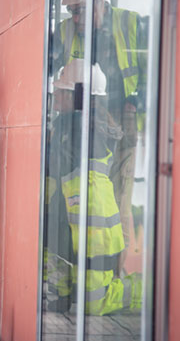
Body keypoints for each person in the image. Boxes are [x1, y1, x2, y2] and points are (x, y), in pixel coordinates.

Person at [55, 0, 144, 267]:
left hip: (123, 118)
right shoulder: (65, 31)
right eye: (71, 11)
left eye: (80, 11)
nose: (76, 19)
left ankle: (116, 272)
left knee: (119, 200)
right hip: (82, 123)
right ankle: (82, 268)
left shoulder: (130, 23)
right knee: (83, 198)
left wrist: (134, 103)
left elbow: (154, 70)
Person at [42, 59, 142, 315]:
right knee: (51, 247)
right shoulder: (70, 124)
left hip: (94, 230)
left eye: (61, 92)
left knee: (95, 303)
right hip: (72, 219)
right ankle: (64, 290)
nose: (54, 97)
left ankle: (145, 291)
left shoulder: (83, 129)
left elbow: (61, 161)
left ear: (79, 96)